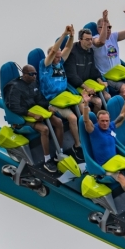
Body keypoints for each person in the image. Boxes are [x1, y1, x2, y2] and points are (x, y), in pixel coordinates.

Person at [80, 86, 125, 203]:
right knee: (121, 177)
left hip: (117, 161)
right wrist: (85, 104)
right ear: (98, 121)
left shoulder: (111, 126)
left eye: (106, 121)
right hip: (105, 166)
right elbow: (85, 120)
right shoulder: (93, 130)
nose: (105, 123)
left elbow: (123, 114)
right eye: (102, 121)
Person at [5, 63, 64, 171]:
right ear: (24, 74)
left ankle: (59, 152)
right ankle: (47, 160)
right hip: (24, 116)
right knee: (44, 129)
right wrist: (32, 115)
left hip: (36, 111)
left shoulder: (34, 83)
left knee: (58, 122)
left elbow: (39, 99)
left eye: (35, 74)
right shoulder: (15, 87)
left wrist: (48, 107)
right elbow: (14, 107)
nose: (35, 76)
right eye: (32, 74)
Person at [39, 25, 83, 161]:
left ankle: (88, 135)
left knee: (83, 105)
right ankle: (78, 145)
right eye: (56, 57)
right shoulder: (45, 65)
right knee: (73, 118)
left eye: (60, 57)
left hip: (65, 96)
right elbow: (53, 51)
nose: (59, 59)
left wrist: (71, 36)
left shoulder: (60, 63)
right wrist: (64, 34)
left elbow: (68, 48)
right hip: (54, 100)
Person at [92, 6, 125, 86]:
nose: (108, 29)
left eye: (109, 27)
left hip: (119, 71)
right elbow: (100, 42)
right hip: (108, 76)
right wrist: (104, 23)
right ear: (98, 29)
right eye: (105, 27)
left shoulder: (113, 36)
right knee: (124, 88)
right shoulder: (94, 39)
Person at [64, 27, 108, 112]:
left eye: (91, 39)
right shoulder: (72, 53)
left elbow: (93, 70)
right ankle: (95, 119)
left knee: (107, 96)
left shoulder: (90, 51)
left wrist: (100, 81)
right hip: (77, 86)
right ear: (80, 39)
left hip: (88, 83)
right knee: (98, 102)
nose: (90, 42)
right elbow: (72, 76)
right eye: (87, 39)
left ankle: (106, 118)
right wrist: (86, 88)